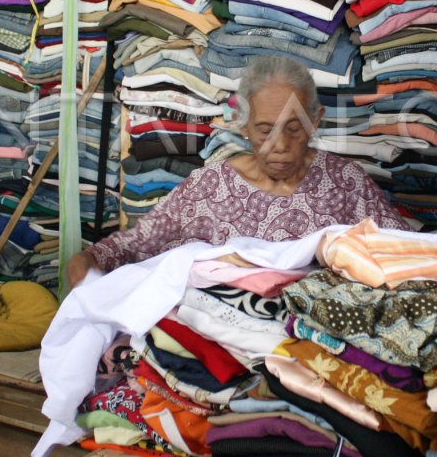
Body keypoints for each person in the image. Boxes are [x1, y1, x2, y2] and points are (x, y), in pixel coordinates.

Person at [64, 55, 409, 288]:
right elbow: (133, 244)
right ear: (242, 126)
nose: (279, 144)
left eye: (294, 128)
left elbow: (407, 249)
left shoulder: (345, 182)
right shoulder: (209, 188)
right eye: (264, 129)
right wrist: (89, 259)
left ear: (315, 121)